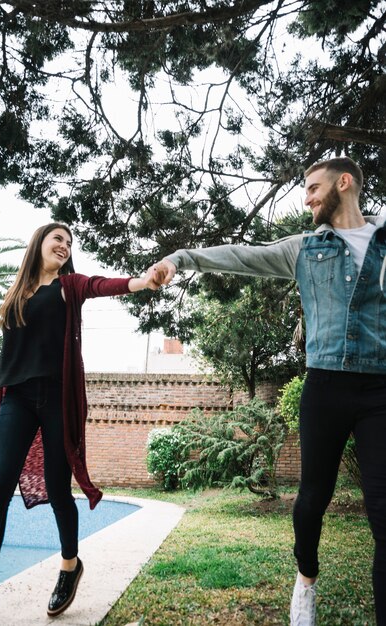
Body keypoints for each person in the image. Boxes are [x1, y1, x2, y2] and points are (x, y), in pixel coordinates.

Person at [151, 156, 386, 626]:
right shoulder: (303, 248)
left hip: (380, 391)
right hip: (324, 387)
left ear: (345, 183)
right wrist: (181, 258)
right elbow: (242, 255)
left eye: (314, 188)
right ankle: (306, 581)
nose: (308, 198)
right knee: (310, 501)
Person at [0, 222, 163, 626]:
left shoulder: (68, 286)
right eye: (58, 238)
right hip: (17, 399)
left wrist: (141, 282)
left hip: (57, 399)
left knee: (59, 488)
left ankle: (70, 565)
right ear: (38, 242)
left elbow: (100, 284)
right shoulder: (15, 296)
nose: (64, 245)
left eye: (69, 243)